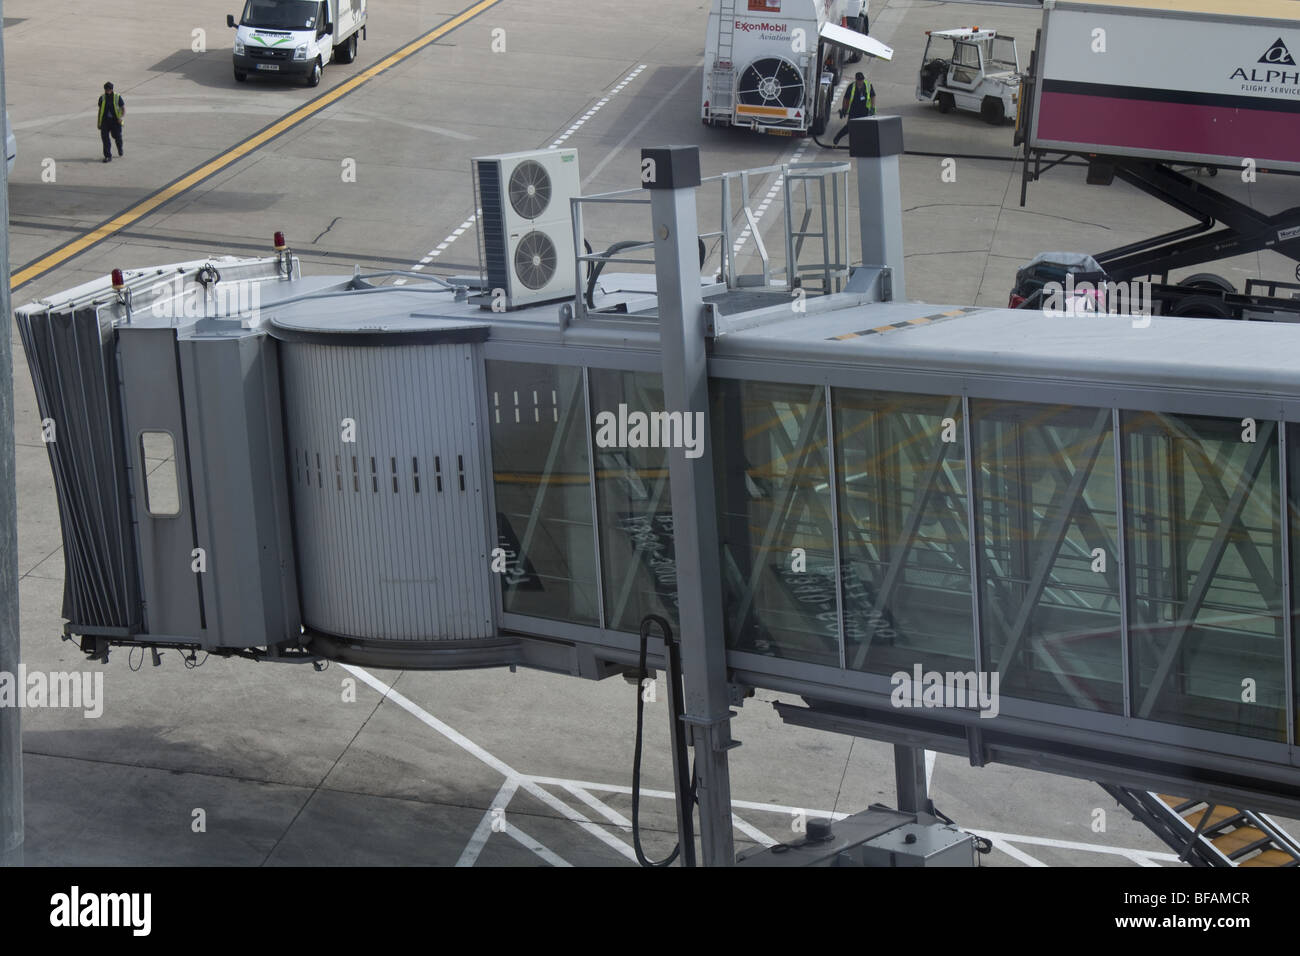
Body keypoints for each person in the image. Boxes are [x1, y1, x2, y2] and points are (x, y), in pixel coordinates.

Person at [832, 72, 874, 146]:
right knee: (850, 127)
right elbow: (846, 99)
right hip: (854, 110)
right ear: (856, 80)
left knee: (865, 128)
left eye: (862, 80)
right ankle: (837, 138)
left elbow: (873, 96)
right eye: (859, 80)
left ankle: (863, 144)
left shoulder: (868, 85)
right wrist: (844, 109)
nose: (860, 81)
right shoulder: (851, 87)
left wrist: (872, 108)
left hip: (864, 110)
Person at [97, 82, 125, 163]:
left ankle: (120, 148)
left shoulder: (117, 97)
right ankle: (108, 156)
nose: (107, 91)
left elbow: (123, 108)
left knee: (117, 137)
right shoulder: (102, 98)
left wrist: (120, 117)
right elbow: (100, 111)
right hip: (105, 121)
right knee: (105, 138)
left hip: (115, 121)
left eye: (109, 89)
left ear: (112, 89)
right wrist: (98, 122)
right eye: (106, 89)